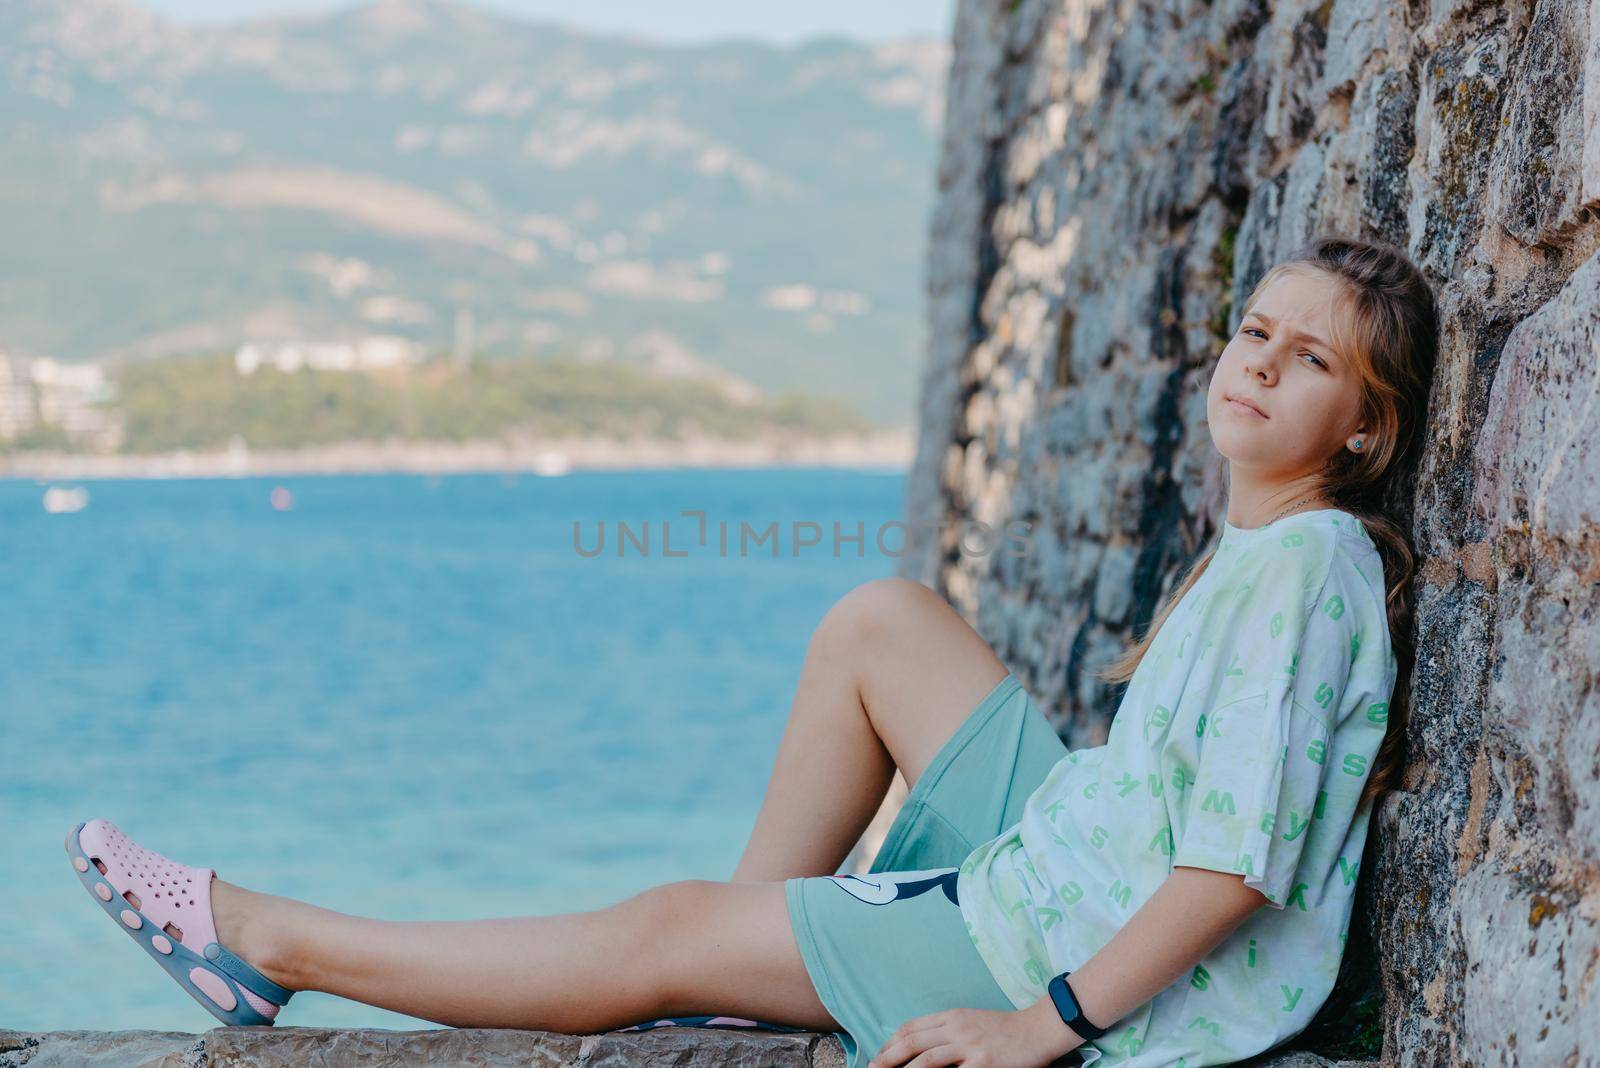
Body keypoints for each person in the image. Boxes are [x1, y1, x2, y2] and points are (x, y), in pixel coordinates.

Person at [65, 234, 1439, 1068]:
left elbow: (1229, 868)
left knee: (661, 927)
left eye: (1309, 360)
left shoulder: (1307, 571)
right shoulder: (1268, 551)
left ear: (1365, 427)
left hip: (1059, 953)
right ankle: (743, 981)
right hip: (1076, 848)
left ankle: (273, 943)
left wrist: (1045, 1026)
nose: (1257, 362)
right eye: (1253, 331)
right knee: (877, 625)